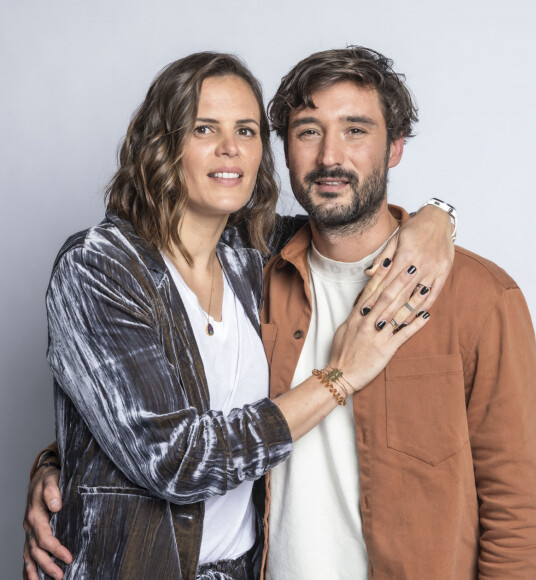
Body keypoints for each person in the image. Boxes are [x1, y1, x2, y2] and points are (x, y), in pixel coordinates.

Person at [22, 50, 455, 580]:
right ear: (161, 144)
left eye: (247, 131)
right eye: (204, 128)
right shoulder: (99, 267)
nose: (230, 148)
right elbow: (172, 459)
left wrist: (437, 219)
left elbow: (350, 216)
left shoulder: (256, 258)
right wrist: (339, 377)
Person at [258, 46, 536, 579]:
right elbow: (178, 418)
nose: (329, 157)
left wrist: (441, 214)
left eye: (355, 130)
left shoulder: (482, 298)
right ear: (284, 147)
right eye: (308, 131)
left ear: (395, 148)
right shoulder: (246, 283)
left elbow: (516, 511)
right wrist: (58, 463)